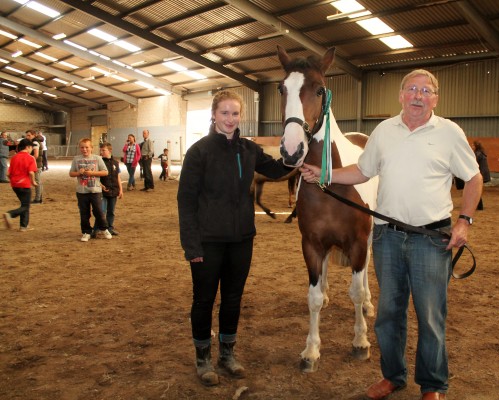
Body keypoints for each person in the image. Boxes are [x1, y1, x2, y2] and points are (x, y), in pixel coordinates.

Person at [300, 69, 482, 400]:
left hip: (430, 237)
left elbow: (474, 178)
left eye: (425, 91)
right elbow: (361, 171)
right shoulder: (384, 131)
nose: (418, 95)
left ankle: (432, 386)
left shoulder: (450, 133)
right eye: (411, 89)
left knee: (430, 316)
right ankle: (393, 376)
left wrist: (465, 220)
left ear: (435, 99)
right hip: (388, 237)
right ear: (400, 95)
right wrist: (323, 173)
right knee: (388, 315)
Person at [177, 90, 292, 387]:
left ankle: (227, 353)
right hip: (207, 240)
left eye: (235, 113)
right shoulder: (199, 152)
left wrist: (297, 153)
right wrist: (192, 245)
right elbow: (186, 201)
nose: (230, 119)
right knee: (203, 300)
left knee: (233, 299)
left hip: (242, 239)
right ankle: (202, 358)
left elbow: (278, 170)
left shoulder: (248, 150)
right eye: (225, 113)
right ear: (214, 115)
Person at [69, 138, 112, 242]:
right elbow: (71, 173)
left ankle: (104, 229)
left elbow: (105, 172)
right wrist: (79, 173)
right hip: (81, 191)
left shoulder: (97, 158)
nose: (84, 149)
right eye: (82, 147)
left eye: (87, 147)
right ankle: (86, 232)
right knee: (84, 213)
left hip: (95, 190)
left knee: (98, 211)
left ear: (92, 148)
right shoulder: (76, 159)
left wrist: (92, 173)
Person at [3, 138, 37, 232]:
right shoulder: (30, 158)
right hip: (24, 184)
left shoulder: (14, 157)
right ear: (28, 147)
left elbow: (8, 174)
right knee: (26, 206)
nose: (32, 150)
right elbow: (31, 172)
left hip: (14, 185)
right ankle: (10, 214)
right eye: (31, 148)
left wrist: (13, 181)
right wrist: (33, 182)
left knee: (24, 204)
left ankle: (23, 226)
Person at [93, 143, 123, 237]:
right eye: (100, 150)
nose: (101, 152)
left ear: (110, 151)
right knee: (101, 211)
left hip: (114, 191)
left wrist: (121, 190)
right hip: (102, 191)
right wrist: (101, 185)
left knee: (111, 211)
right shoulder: (99, 162)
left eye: (103, 150)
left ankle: (110, 228)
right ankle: (96, 229)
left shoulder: (116, 163)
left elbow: (118, 177)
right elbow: (95, 177)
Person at [25, 130, 43, 204]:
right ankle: (38, 198)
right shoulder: (34, 142)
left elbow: (36, 155)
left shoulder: (35, 143)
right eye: (27, 135)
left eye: (29, 135)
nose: (27, 137)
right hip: (36, 164)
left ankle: (38, 199)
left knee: (37, 182)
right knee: (37, 181)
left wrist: (29, 162)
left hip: (36, 165)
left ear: (34, 135)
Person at [472, 141, 491, 210]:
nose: (472, 147)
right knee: (477, 189)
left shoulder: (478, 154)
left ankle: (479, 206)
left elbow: (474, 164)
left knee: (476, 190)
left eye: (473, 146)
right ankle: (479, 206)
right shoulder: (481, 153)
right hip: (483, 173)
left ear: (476, 146)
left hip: (480, 173)